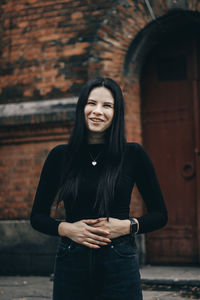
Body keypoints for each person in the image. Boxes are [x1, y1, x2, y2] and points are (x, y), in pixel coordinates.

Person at [30, 77, 168, 300]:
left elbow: (160, 215)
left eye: (107, 106)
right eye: (91, 103)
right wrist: (68, 229)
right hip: (71, 260)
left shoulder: (133, 154)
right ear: (81, 107)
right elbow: (37, 217)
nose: (97, 111)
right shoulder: (60, 156)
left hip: (119, 262)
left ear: (116, 113)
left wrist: (127, 226)